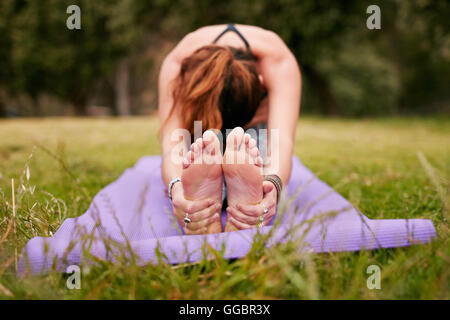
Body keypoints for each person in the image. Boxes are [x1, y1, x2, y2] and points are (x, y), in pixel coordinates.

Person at [158, 23, 301, 235]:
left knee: (245, 151)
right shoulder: (179, 66)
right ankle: (236, 202)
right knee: (204, 151)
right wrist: (176, 187)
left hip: (249, 129)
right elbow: (171, 141)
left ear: (260, 84)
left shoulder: (278, 62)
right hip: (202, 128)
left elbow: (281, 141)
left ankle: (210, 203)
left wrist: (273, 185)